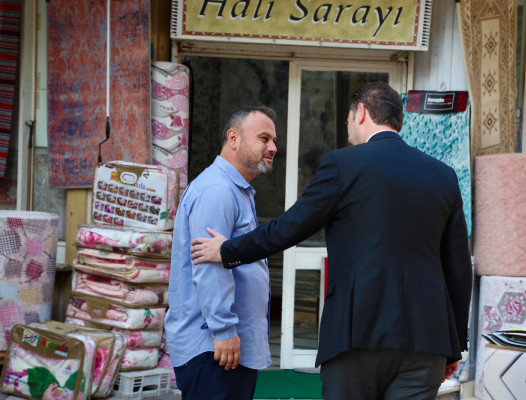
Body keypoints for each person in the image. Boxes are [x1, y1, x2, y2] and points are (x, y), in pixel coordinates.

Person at [192, 82, 472, 400]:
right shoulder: (443, 175)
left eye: (348, 119)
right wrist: (454, 345)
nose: (348, 131)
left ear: (361, 112)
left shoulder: (343, 164)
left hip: (357, 335)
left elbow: (289, 228)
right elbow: (458, 268)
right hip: (427, 342)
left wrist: (228, 250)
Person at [165, 106, 277, 400]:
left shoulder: (235, 189)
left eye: (274, 140)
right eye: (264, 138)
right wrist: (224, 330)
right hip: (214, 348)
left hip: (224, 347)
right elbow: (209, 266)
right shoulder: (217, 190)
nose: (273, 147)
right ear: (234, 138)